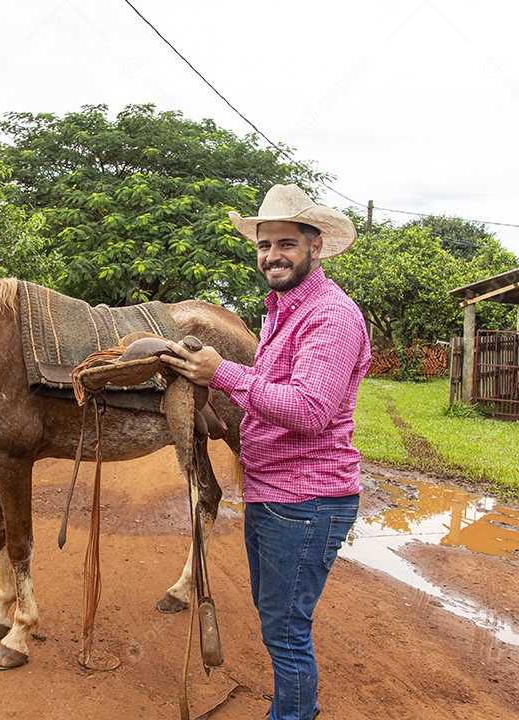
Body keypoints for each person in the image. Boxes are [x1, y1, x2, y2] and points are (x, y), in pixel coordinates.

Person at [163, 184, 371, 720]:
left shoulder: (331, 316)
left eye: (285, 244)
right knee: (278, 620)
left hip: (305, 501)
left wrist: (223, 373)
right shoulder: (281, 311)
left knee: (285, 630)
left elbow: (308, 409)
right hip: (273, 492)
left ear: (315, 246)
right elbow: (271, 381)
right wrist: (219, 384)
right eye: (264, 245)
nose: (272, 256)